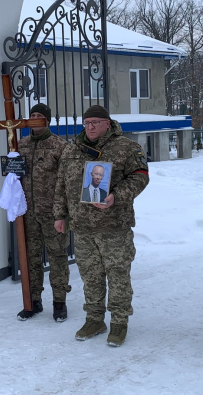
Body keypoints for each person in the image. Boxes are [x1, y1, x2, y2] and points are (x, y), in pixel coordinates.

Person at [54, 105, 149, 347]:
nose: (91, 126)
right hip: (83, 226)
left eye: (96, 122)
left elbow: (140, 176)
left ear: (108, 123)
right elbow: (61, 185)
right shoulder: (71, 150)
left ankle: (119, 322)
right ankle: (95, 318)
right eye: (87, 122)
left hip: (114, 225)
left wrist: (116, 195)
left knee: (117, 275)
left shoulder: (127, 147)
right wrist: (60, 215)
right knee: (90, 276)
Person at [16, 103, 72, 322]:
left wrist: (64, 212)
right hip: (28, 212)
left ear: (47, 121)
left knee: (58, 256)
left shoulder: (60, 146)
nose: (35, 118)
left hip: (53, 212)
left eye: (40, 116)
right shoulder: (21, 145)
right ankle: (33, 301)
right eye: (32, 115)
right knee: (30, 258)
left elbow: (67, 180)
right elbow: (14, 175)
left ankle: (59, 302)